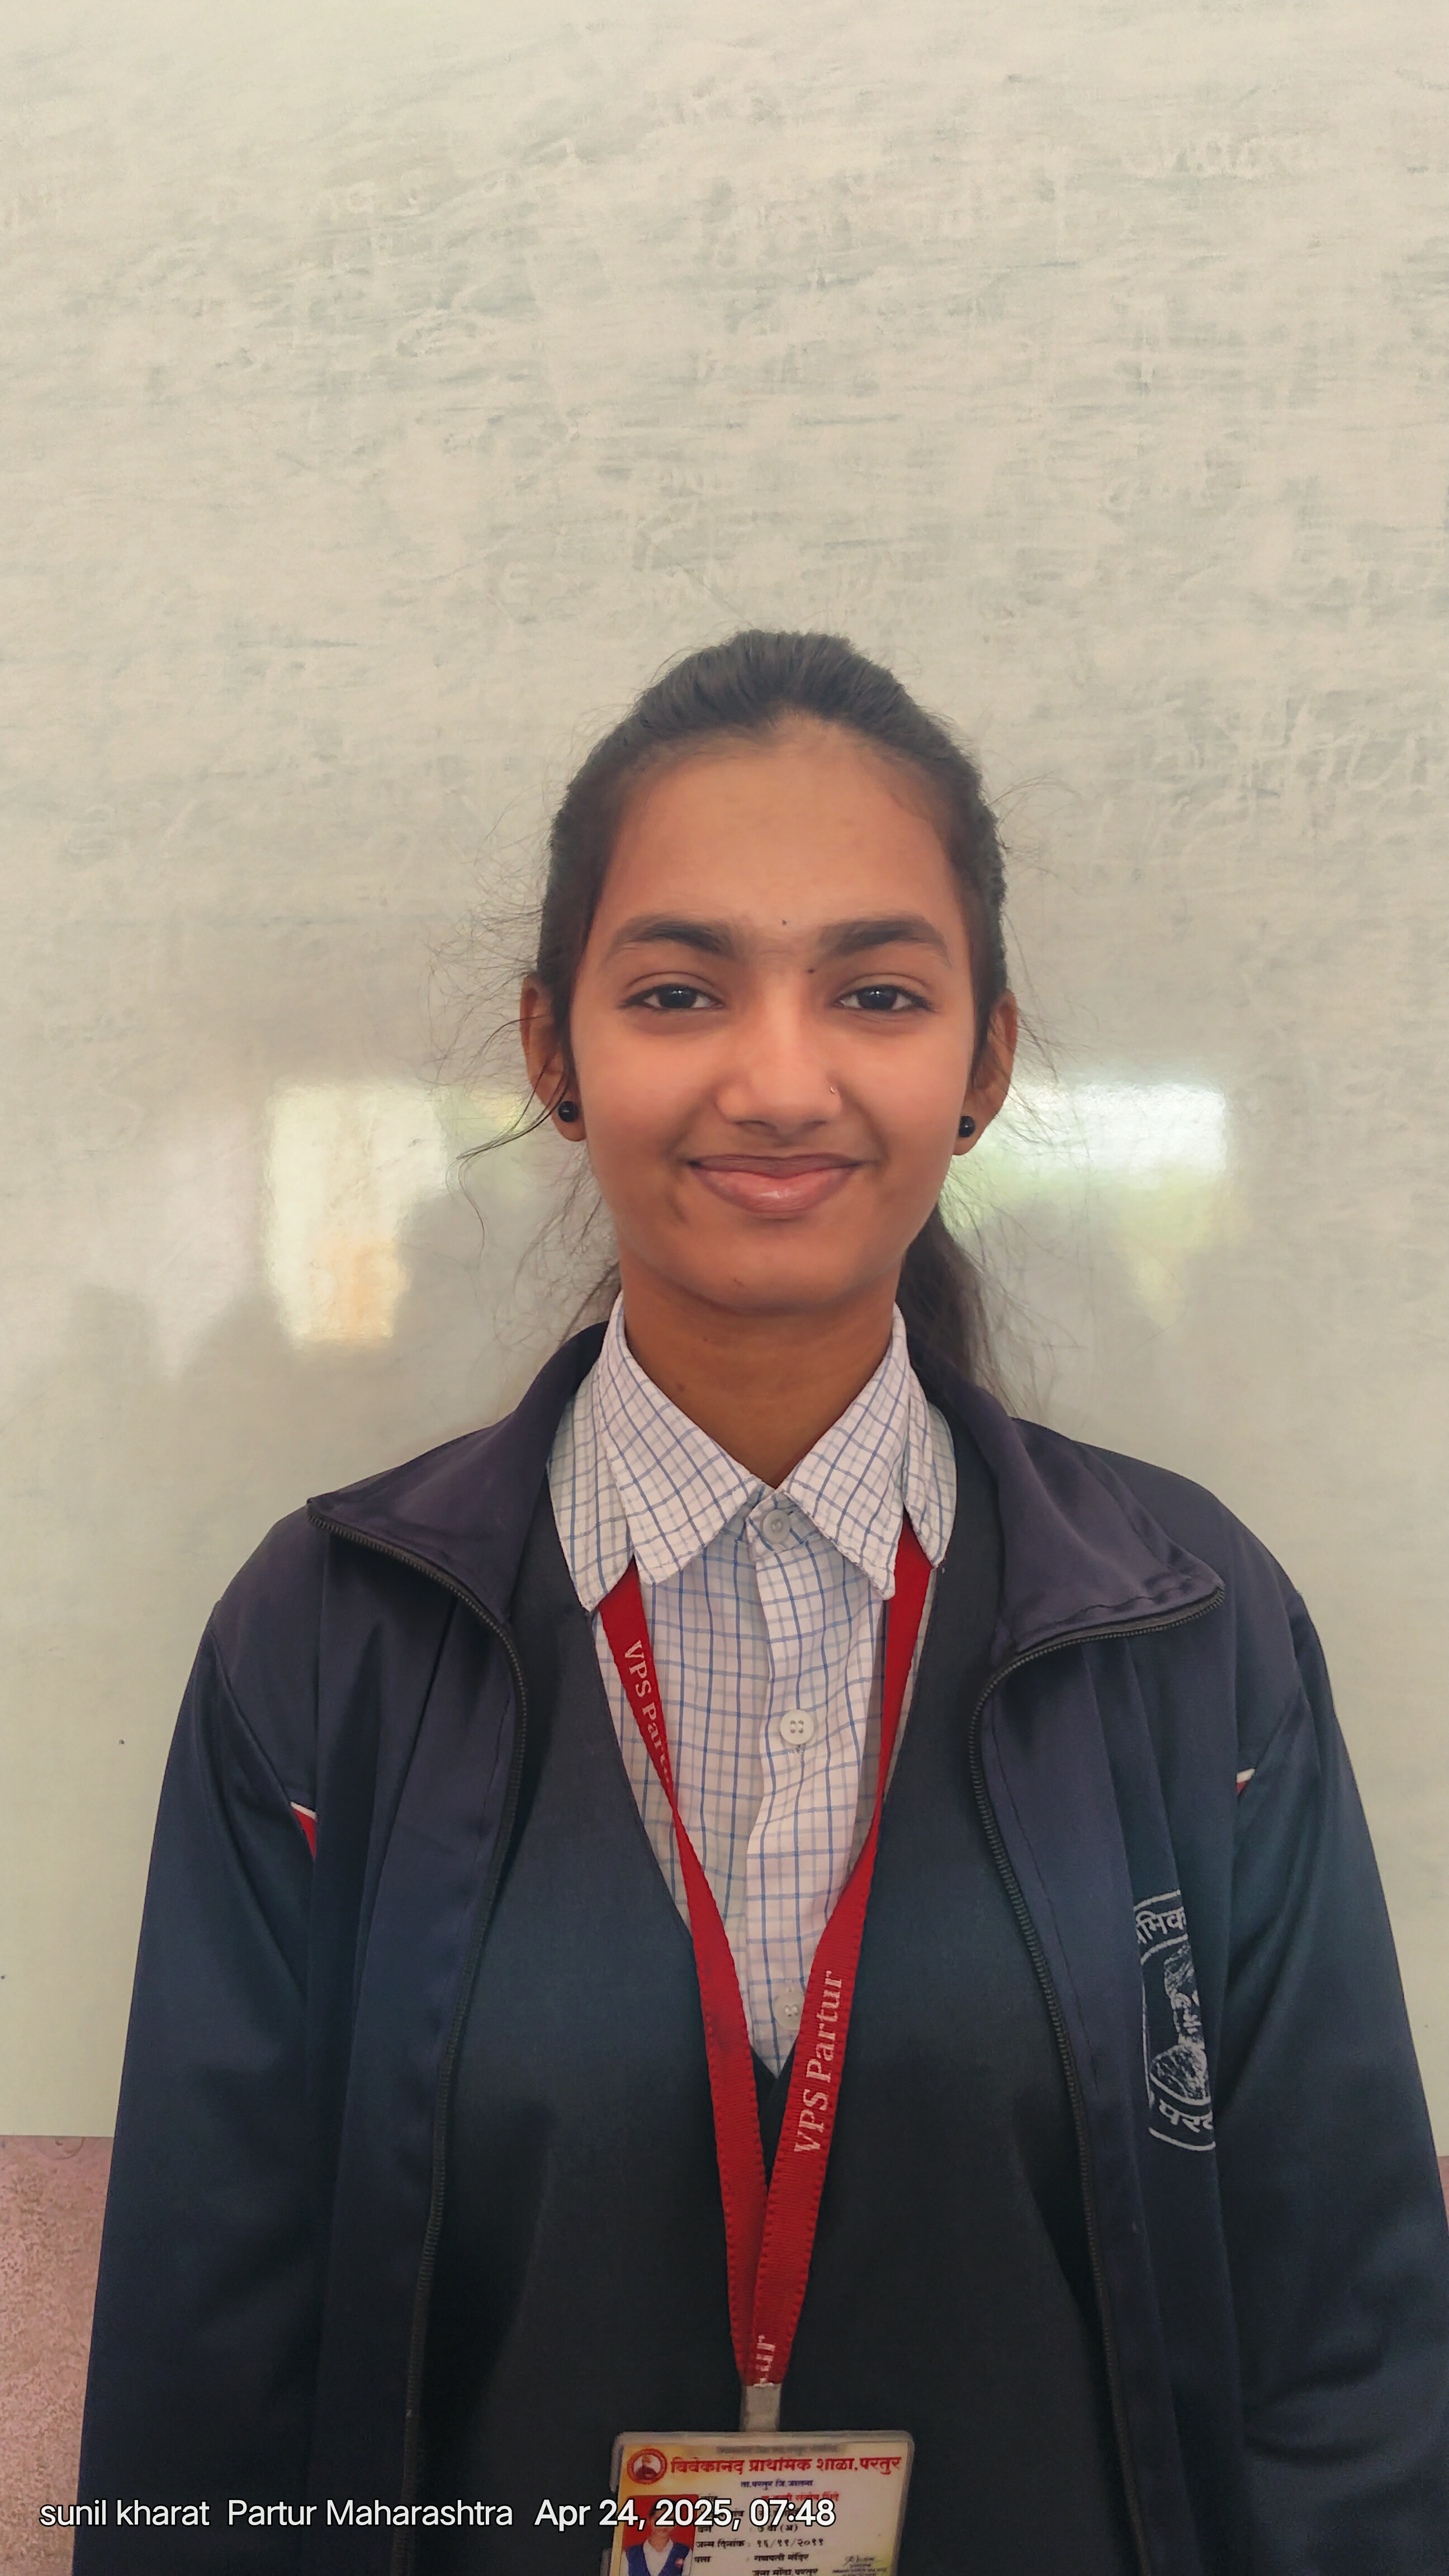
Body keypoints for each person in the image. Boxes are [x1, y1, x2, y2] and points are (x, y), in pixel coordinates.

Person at [76, 631, 1449, 2575]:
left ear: (982, 1064)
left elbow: (1347, 2351)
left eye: (877, 992)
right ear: (555, 1052)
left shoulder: (1192, 1632)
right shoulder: (328, 1645)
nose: (781, 1079)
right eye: (679, 991)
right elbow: (207, 2377)